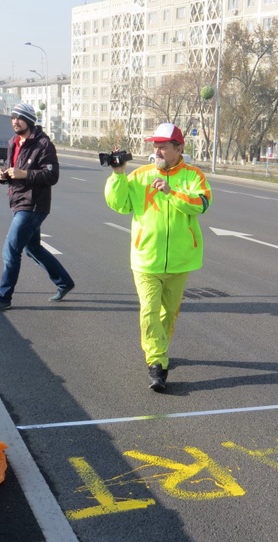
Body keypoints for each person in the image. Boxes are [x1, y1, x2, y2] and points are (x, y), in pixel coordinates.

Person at [104, 123, 212, 392]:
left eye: (163, 145)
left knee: (168, 315)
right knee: (149, 311)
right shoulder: (140, 175)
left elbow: (202, 204)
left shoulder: (193, 176)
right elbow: (119, 204)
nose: (158, 149)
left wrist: (170, 191)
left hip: (180, 261)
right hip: (146, 259)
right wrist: (118, 174)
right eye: (155, 144)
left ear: (179, 148)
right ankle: (157, 364)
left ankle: (159, 350)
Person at [0, 102, 75, 312]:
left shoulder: (43, 144)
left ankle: (3, 297)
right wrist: (2, 175)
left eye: (20, 117)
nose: (15, 121)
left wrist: (25, 174)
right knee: (32, 248)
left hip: (33, 204)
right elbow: (11, 168)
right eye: (13, 117)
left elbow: (52, 175)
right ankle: (64, 282)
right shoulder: (13, 142)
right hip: (18, 201)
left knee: (10, 250)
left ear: (30, 121)